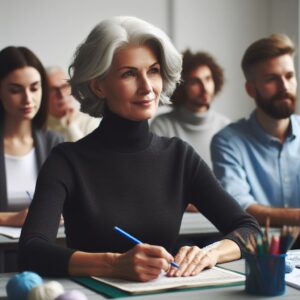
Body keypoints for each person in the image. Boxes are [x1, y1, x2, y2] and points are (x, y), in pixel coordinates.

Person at [19, 16, 260, 281]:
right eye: (129, 74)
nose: (147, 87)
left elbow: (249, 230)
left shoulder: (180, 156)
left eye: (153, 71)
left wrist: (211, 253)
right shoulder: (66, 160)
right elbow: (31, 251)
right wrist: (113, 264)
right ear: (98, 85)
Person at [211, 34, 300, 227]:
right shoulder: (227, 141)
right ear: (251, 89)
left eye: (289, 76)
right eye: (272, 79)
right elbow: (241, 206)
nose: (285, 86)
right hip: (259, 251)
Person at [0, 46, 63, 271]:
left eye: (35, 88)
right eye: (16, 90)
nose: (28, 99)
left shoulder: (55, 143)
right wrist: (10, 218)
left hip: (44, 256)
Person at [150, 50, 230, 169]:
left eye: (208, 79)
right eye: (195, 82)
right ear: (181, 87)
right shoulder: (162, 125)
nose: (205, 88)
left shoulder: (226, 127)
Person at [47, 66, 100, 142]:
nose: (61, 95)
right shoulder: (38, 127)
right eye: (53, 90)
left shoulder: (90, 122)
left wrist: (71, 126)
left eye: (64, 86)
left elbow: (87, 153)